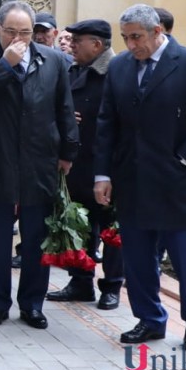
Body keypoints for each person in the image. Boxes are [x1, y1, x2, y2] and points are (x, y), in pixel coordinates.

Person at [93, 4, 186, 351]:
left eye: (136, 37)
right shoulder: (121, 66)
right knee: (137, 259)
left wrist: (182, 158)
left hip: (176, 184)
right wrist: (103, 174)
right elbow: (107, 123)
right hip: (132, 181)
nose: (130, 45)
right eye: (125, 38)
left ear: (158, 32)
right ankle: (150, 319)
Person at [0, 0, 79, 329]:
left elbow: (64, 109)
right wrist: (5, 65)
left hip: (38, 162)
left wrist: (68, 152)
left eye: (25, 32)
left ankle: (32, 304)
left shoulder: (53, 60)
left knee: (36, 239)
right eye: (11, 31)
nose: (19, 38)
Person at [44, 19, 123, 310]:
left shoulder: (117, 71)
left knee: (112, 229)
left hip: (108, 165)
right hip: (78, 164)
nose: (71, 45)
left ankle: (112, 286)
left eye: (78, 41)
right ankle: (80, 281)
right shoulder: (72, 69)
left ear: (98, 45)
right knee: (81, 223)